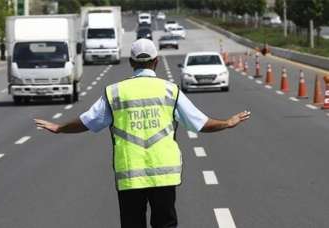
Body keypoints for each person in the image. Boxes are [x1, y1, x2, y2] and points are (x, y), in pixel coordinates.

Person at [34, 39, 251, 228]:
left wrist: (59, 128)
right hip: (164, 175)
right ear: (156, 62)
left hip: (130, 175)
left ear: (131, 63)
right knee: (165, 224)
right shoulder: (169, 90)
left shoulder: (115, 92)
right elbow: (200, 123)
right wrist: (227, 122)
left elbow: (88, 121)